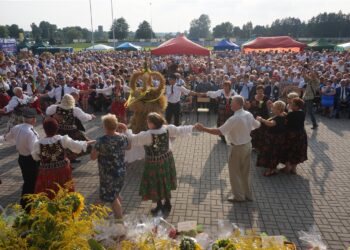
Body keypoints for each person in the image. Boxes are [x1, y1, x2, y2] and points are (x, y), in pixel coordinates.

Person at [196, 95, 261, 202]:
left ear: (238, 104)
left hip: (237, 148)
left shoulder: (234, 118)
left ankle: (239, 197)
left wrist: (203, 128)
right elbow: (257, 125)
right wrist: (258, 119)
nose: (230, 104)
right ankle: (248, 195)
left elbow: (219, 131)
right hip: (248, 145)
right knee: (246, 172)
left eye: (232, 102)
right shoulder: (248, 114)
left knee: (235, 173)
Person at [128, 112, 194, 214]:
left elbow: (133, 139)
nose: (147, 123)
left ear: (152, 123)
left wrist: (124, 130)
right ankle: (167, 203)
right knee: (165, 181)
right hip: (167, 160)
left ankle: (159, 206)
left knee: (156, 183)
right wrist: (193, 127)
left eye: (148, 122)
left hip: (154, 163)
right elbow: (180, 130)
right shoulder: (167, 128)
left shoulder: (148, 135)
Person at [32, 118, 94, 198]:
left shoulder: (38, 144)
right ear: (57, 128)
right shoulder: (62, 139)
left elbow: (35, 157)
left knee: (48, 192)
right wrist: (88, 142)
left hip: (46, 172)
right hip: (62, 170)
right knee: (65, 191)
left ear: (44, 129)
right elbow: (77, 145)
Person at [90, 114, 131, 219]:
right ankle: (116, 212)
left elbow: (93, 157)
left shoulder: (100, 141)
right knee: (115, 194)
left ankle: (119, 221)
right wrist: (125, 131)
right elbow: (129, 147)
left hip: (108, 175)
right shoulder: (122, 138)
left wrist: (94, 148)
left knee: (111, 198)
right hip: (120, 172)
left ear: (105, 127)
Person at [0, 108, 39, 211]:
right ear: (33, 120)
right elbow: (34, 152)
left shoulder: (17, 127)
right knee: (31, 183)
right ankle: (27, 205)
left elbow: (6, 138)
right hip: (31, 160)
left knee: (27, 181)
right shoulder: (31, 133)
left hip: (21, 159)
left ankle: (26, 203)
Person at [46, 94, 95, 162]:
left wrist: (56, 104)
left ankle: (68, 159)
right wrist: (91, 116)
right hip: (71, 131)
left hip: (59, 131)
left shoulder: (55, 107)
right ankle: (70, 159)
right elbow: (84, 117)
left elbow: (47, 111)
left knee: (62, 146)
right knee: (79, 144)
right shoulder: (74, 110)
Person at [256, 101, 286, 176]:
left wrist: (261, 119)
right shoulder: (283, 114)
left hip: (273, 139)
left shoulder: (278, 118)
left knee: (271, 154)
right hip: (278, 138)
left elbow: (271, 124)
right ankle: (273, 168)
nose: (272, 109)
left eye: (274, 108)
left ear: (279, 109)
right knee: (275, 153)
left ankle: (270, 170)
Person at [282, 98, 308, 174]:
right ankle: (294, 169)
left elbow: (286, 122)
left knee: (289, 150)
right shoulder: (302, 112)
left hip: (291, 135)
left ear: (297, 106)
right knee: (298, 150)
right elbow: (295, 118)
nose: (290, 105)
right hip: (301, 134)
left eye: (292, 104)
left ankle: (287, 167)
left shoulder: (290, 114)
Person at [246, 85, 272, 152]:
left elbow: (269, 108)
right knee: (254, 131)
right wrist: (247, 105)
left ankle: (259, 147)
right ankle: (253, 146)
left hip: (263, 117)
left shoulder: (266, 98)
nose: (260, 93)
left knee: (262, 132)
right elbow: (249, 107)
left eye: (261, 91)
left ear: (263, 91)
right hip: (254, 117)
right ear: (256, 91)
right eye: (258, 91)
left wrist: (269, 105)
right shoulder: (253, 97)